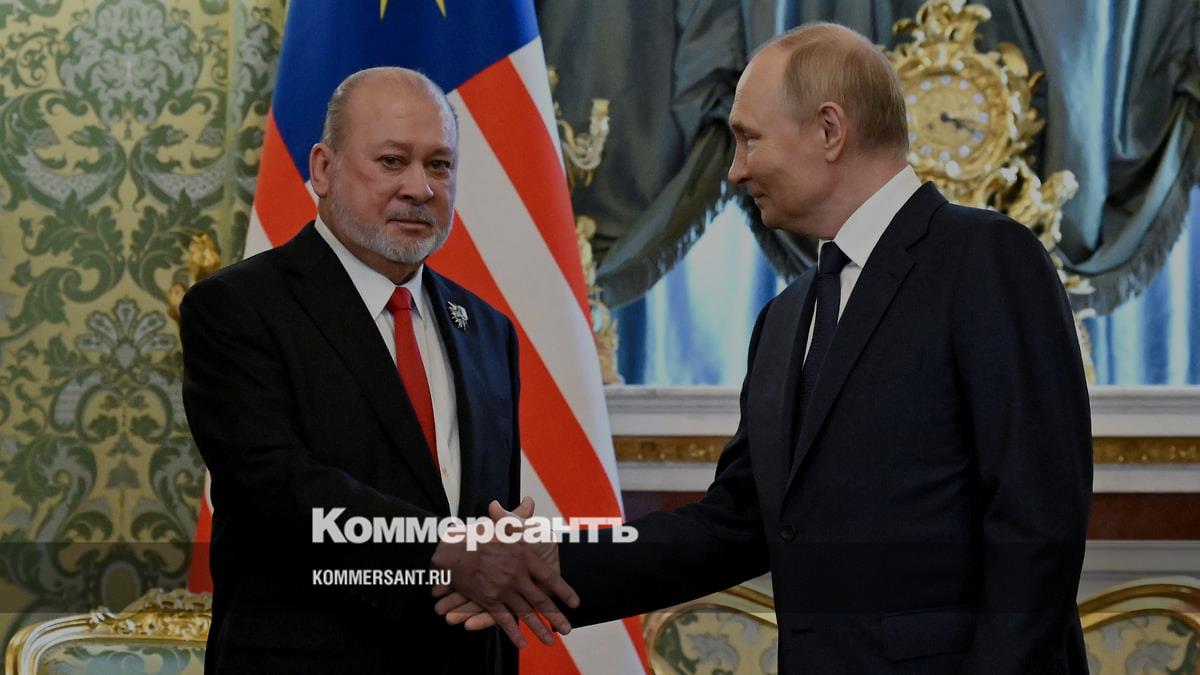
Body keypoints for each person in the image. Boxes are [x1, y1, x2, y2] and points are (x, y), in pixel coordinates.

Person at [439, 23, 1093, 674]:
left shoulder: (986, 259)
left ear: (830, 130)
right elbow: (735, 523)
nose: (735, 170)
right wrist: (554, 560)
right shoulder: (785, 317)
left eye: (749, 138)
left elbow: (1038, 523)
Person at [181, 67, 574, 674]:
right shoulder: (239, 307)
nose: (420, 187)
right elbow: (273, 487)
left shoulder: (487, 329)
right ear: (322, 169)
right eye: (393, 161)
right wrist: (444, 548)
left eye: (440, 164)